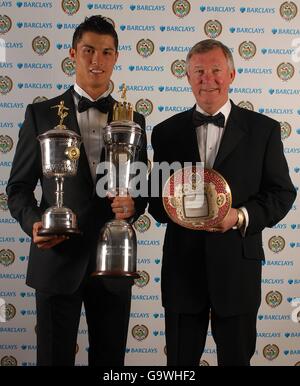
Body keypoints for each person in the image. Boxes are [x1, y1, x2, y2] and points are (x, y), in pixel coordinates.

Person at [6, 15, 147, 366]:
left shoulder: (134, 119)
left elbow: (141, 190)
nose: (96, 61)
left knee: (110, 362)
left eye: (106, 52)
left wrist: (133, 206)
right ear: (72, 53)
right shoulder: (40, 114)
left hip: (113, 263)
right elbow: (18, 188)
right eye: (88, 51)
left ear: (116, 57)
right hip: (56, 259)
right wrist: (34, 224)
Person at [148, 39, 296, 366]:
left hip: (237, 272)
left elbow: (283, 193)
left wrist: (240, 216)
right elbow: (156, 205)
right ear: (187, 77)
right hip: (182, 273)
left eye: (216, 70)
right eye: (199, 71)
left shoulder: (264, 131)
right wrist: (177, 204)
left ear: (231, 74)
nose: (208, 79)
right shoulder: (165, 133)